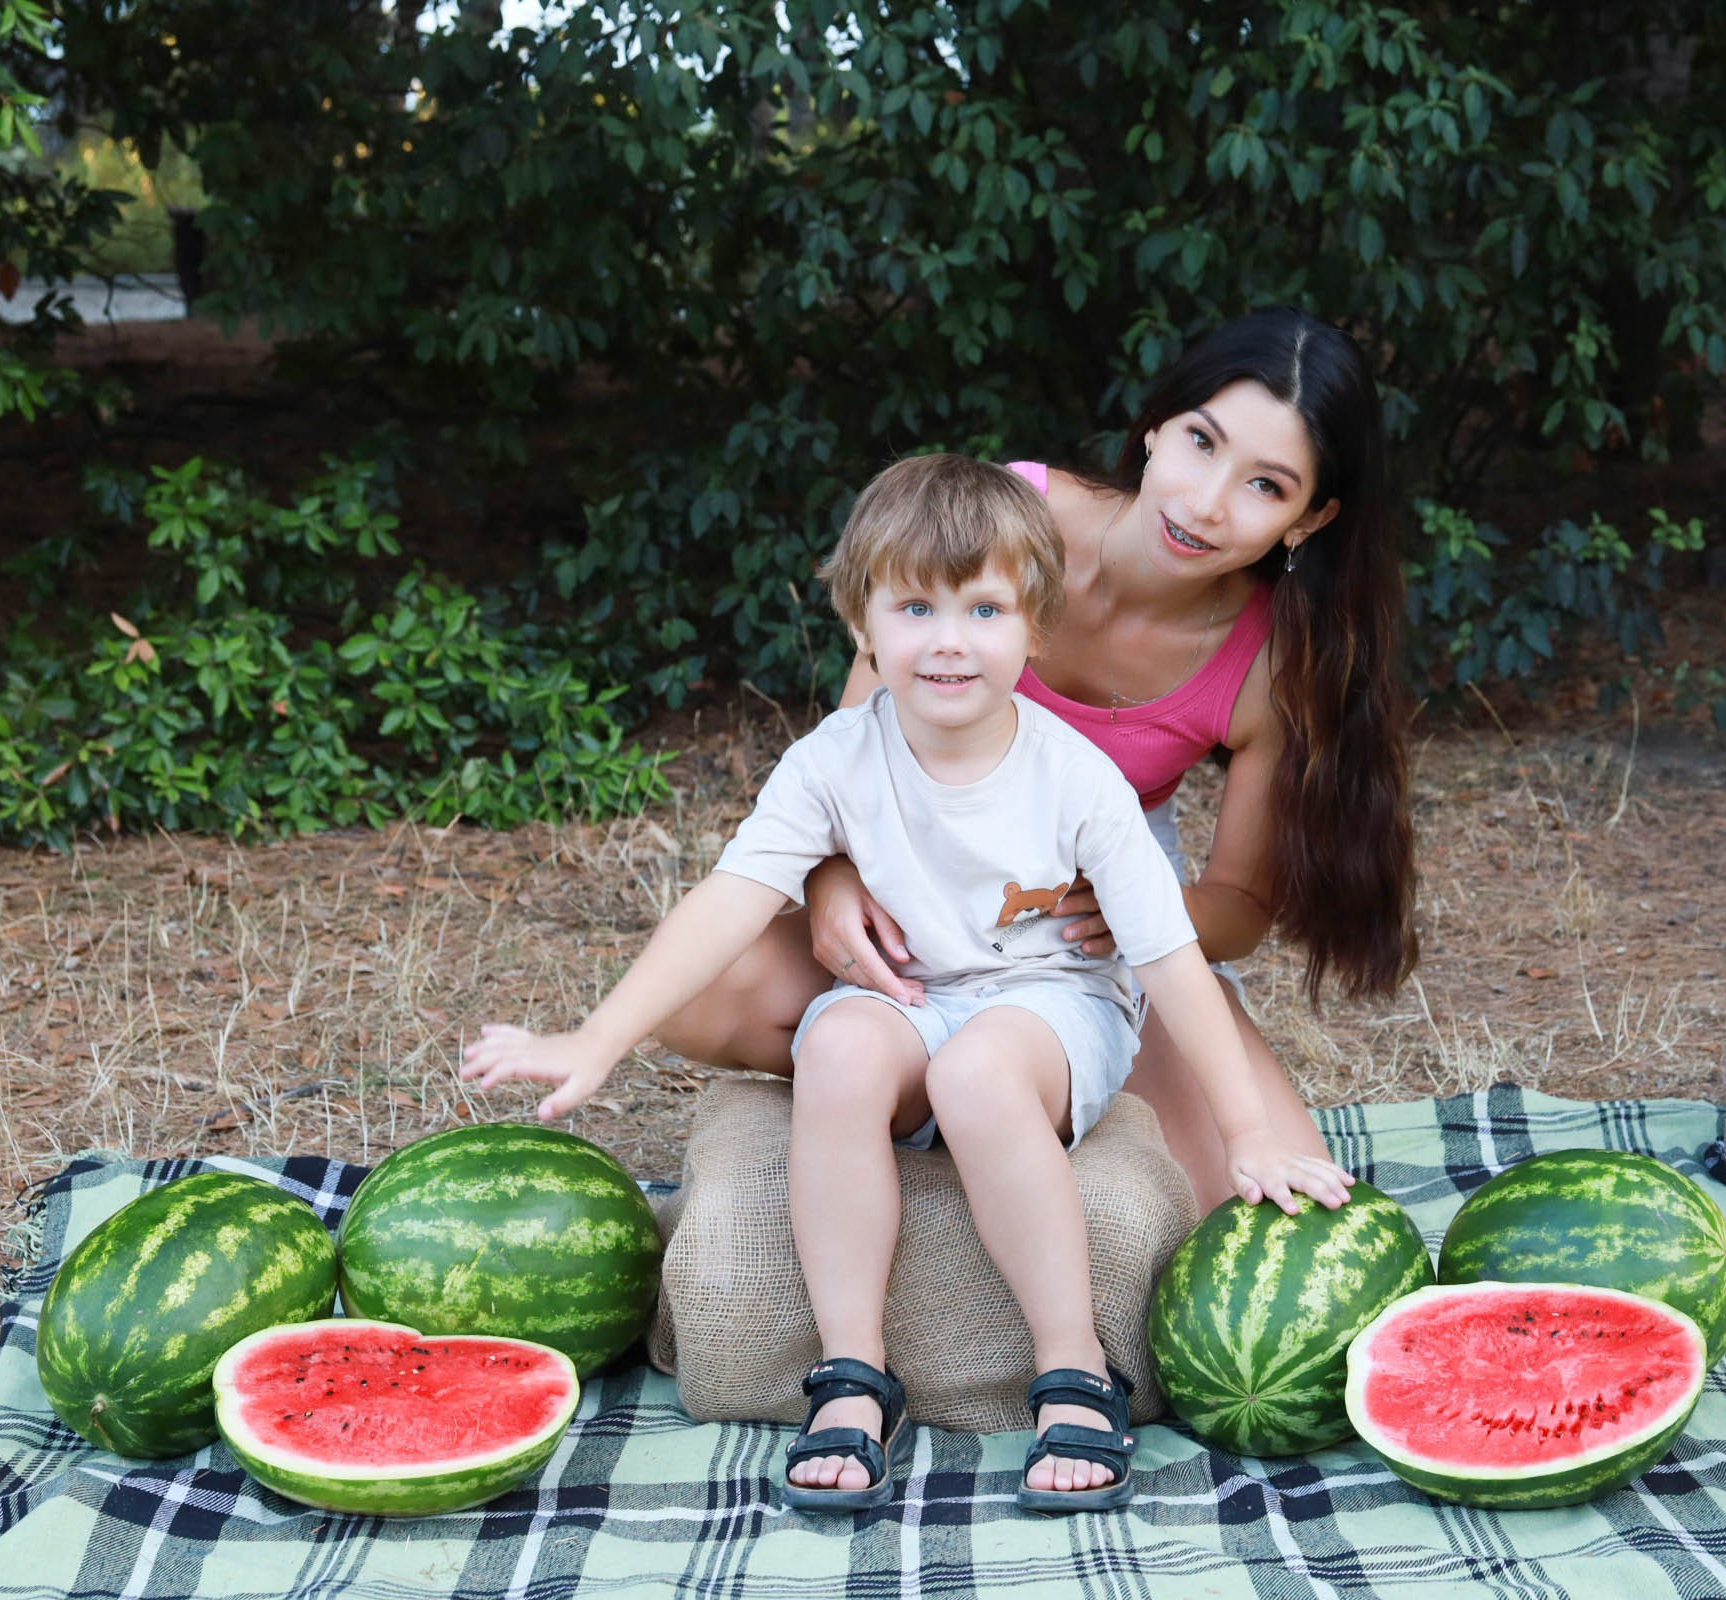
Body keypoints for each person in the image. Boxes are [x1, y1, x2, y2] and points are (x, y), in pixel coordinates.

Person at [461, 453, 1352, 1515]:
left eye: (985, 608)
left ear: (1035, 629)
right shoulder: (834, 758)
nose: (949, 639)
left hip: (1053, 1007)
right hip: (907, 996)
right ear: (862, 626)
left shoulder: (1078, 780)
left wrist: (1247, 1127)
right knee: (835, 1046)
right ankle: (852, 1372)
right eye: (916, 605)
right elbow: (732, 897)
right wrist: (594, 1039)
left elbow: (1171, 963)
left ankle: (1074, 1368)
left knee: (979, 1074)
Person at [658, 306, 1419, 1211]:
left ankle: (1018, 1076)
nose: (1208, 501)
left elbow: (1242, 909)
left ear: (1310, 518)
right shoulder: (1009, 516)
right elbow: (855, 746)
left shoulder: (1271, 662)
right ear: (1153, 428)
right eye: (1201, 442)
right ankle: (940, 1082)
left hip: (1085, 916)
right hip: (913, 863)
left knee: (1271, 1200)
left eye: (1266, 485)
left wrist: (1136, 914)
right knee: (694, 994)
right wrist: (828, 877)